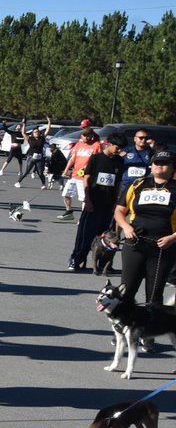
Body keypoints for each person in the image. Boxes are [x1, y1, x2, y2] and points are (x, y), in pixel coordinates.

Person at [115, 148, 176, 306]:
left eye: (165, 163)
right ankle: (126, 328)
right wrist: (126, 227)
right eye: (157, 162)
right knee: (126, 292)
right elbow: (119, 212)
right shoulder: (138, 184)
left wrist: (172, 238)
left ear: (172, 167)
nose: (160, 166)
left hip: (163, 248)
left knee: (154, 297)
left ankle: (153, 330)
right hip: (135, 243)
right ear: (151, 165)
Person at [68, 131, 126, 271]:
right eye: (117, 147)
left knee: (105, 235)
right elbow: (87, 179)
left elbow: (118, 182)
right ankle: (76, 259)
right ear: (109, 144)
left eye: (121, 148)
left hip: (109, 204)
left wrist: (117, 201)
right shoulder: (95, 159)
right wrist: (87, 199)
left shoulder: (119, 161)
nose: (119, 151)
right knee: (85, 234)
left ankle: (102, 264)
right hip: (93, 203)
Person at [58, 123, 102, 220]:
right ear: (81, 135)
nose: (86, 137)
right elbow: (72, 159)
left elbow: (99, 160)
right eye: (84, 135)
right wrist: (65, 171)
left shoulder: (96, 145)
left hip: (85, 177)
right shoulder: (78, 144)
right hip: (74, 174)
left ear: (92, 136)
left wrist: (90, 169)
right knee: (66, 194)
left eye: (88, 135)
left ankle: (83, 218)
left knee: (84, 198)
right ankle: (69, 212)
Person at [16, 118, 53, 189]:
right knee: (27, 171)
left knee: (40, 172)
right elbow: (23, 133)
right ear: (33, 133)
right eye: (35, 132)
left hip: (40, 157)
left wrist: (49, 121)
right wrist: (24, 124)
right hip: (31, 157)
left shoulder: (42, 138)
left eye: (38, 132)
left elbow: (47, 130)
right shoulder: (30, 139)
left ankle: (43, 184)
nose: (37, 133)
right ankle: (18, 182)